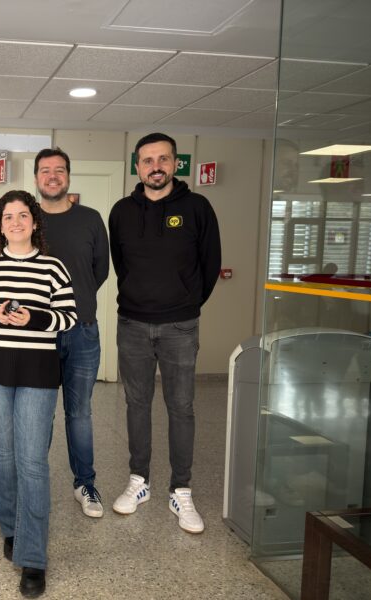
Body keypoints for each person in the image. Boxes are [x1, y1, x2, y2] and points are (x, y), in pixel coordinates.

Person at [0, 190, 77, 598]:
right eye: (8, 216)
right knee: (4, 455)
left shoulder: (53, 267)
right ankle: (11, 528)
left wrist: (35, 319)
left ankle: (33, 556)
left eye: (23, 215)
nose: (16, 222)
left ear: (35, 222)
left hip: (37, 373)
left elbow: (68, 316)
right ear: (0, 224)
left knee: (32, 461)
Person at [108, 132, 221, 534]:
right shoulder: (122, 211)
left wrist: (185, 302)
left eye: (163, 159)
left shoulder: (197, 207)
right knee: (136, 404)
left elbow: (210, 264)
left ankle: (181, 490)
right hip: (133, 324)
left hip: (180, 326)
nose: (155, 167)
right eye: (147, 160)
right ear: (137, 167)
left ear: (175, 163)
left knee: (181, 408)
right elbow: (121, 264)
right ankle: (139, 480)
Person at [34, 147, 109, 518]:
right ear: (36, 178)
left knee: (79, 413)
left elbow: (99, 271)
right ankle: (35, 484)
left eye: (59, 169)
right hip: (39, 334)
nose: (53, 176)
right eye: (45, 170)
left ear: (68, 176)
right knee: (40, 413)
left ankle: (85, 484)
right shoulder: (27, 219)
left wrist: (74, 303)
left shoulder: (90, 219)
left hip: (81, 331)